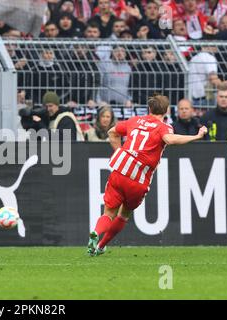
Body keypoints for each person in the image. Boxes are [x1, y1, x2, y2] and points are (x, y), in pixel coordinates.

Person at [88, 94, 207, 256]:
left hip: (120, 171)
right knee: (123, 215)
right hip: (138, 180)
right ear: (166, 111)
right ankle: (101, 246)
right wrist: (196, 136)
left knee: (108, 212)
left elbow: (112, 132)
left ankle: (95, 231)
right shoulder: (163, 127)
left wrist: (121, 152)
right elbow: (170, 140)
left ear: (149, 108)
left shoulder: (135, 120)